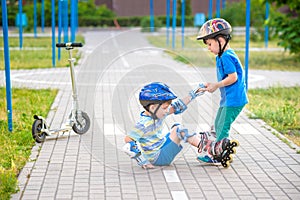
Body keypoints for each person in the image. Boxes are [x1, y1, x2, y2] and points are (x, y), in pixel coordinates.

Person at [122, 82, 238, 169]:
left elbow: (177, 107)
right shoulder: (143, 124)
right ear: (152, 107)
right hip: (158, 158)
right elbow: (128, 142)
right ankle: (211, 149)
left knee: (176, 127)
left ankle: (209, 149)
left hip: (161, 149)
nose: (167, 110)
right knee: (179, 130)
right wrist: (143, 161)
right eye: (165, 107)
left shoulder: (157, 113)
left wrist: (194, 94)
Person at [196, 18, 248, 163]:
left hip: (234, 100)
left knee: (222, 127)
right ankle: (216, 151)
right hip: (228, 99)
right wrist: (211, 84)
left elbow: (233, 78)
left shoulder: (226, 56)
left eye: (210, 44)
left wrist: (216, 85)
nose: (209, 48)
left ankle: (218, 155)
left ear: (220, 40)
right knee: (217, 125)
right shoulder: (221, 56)